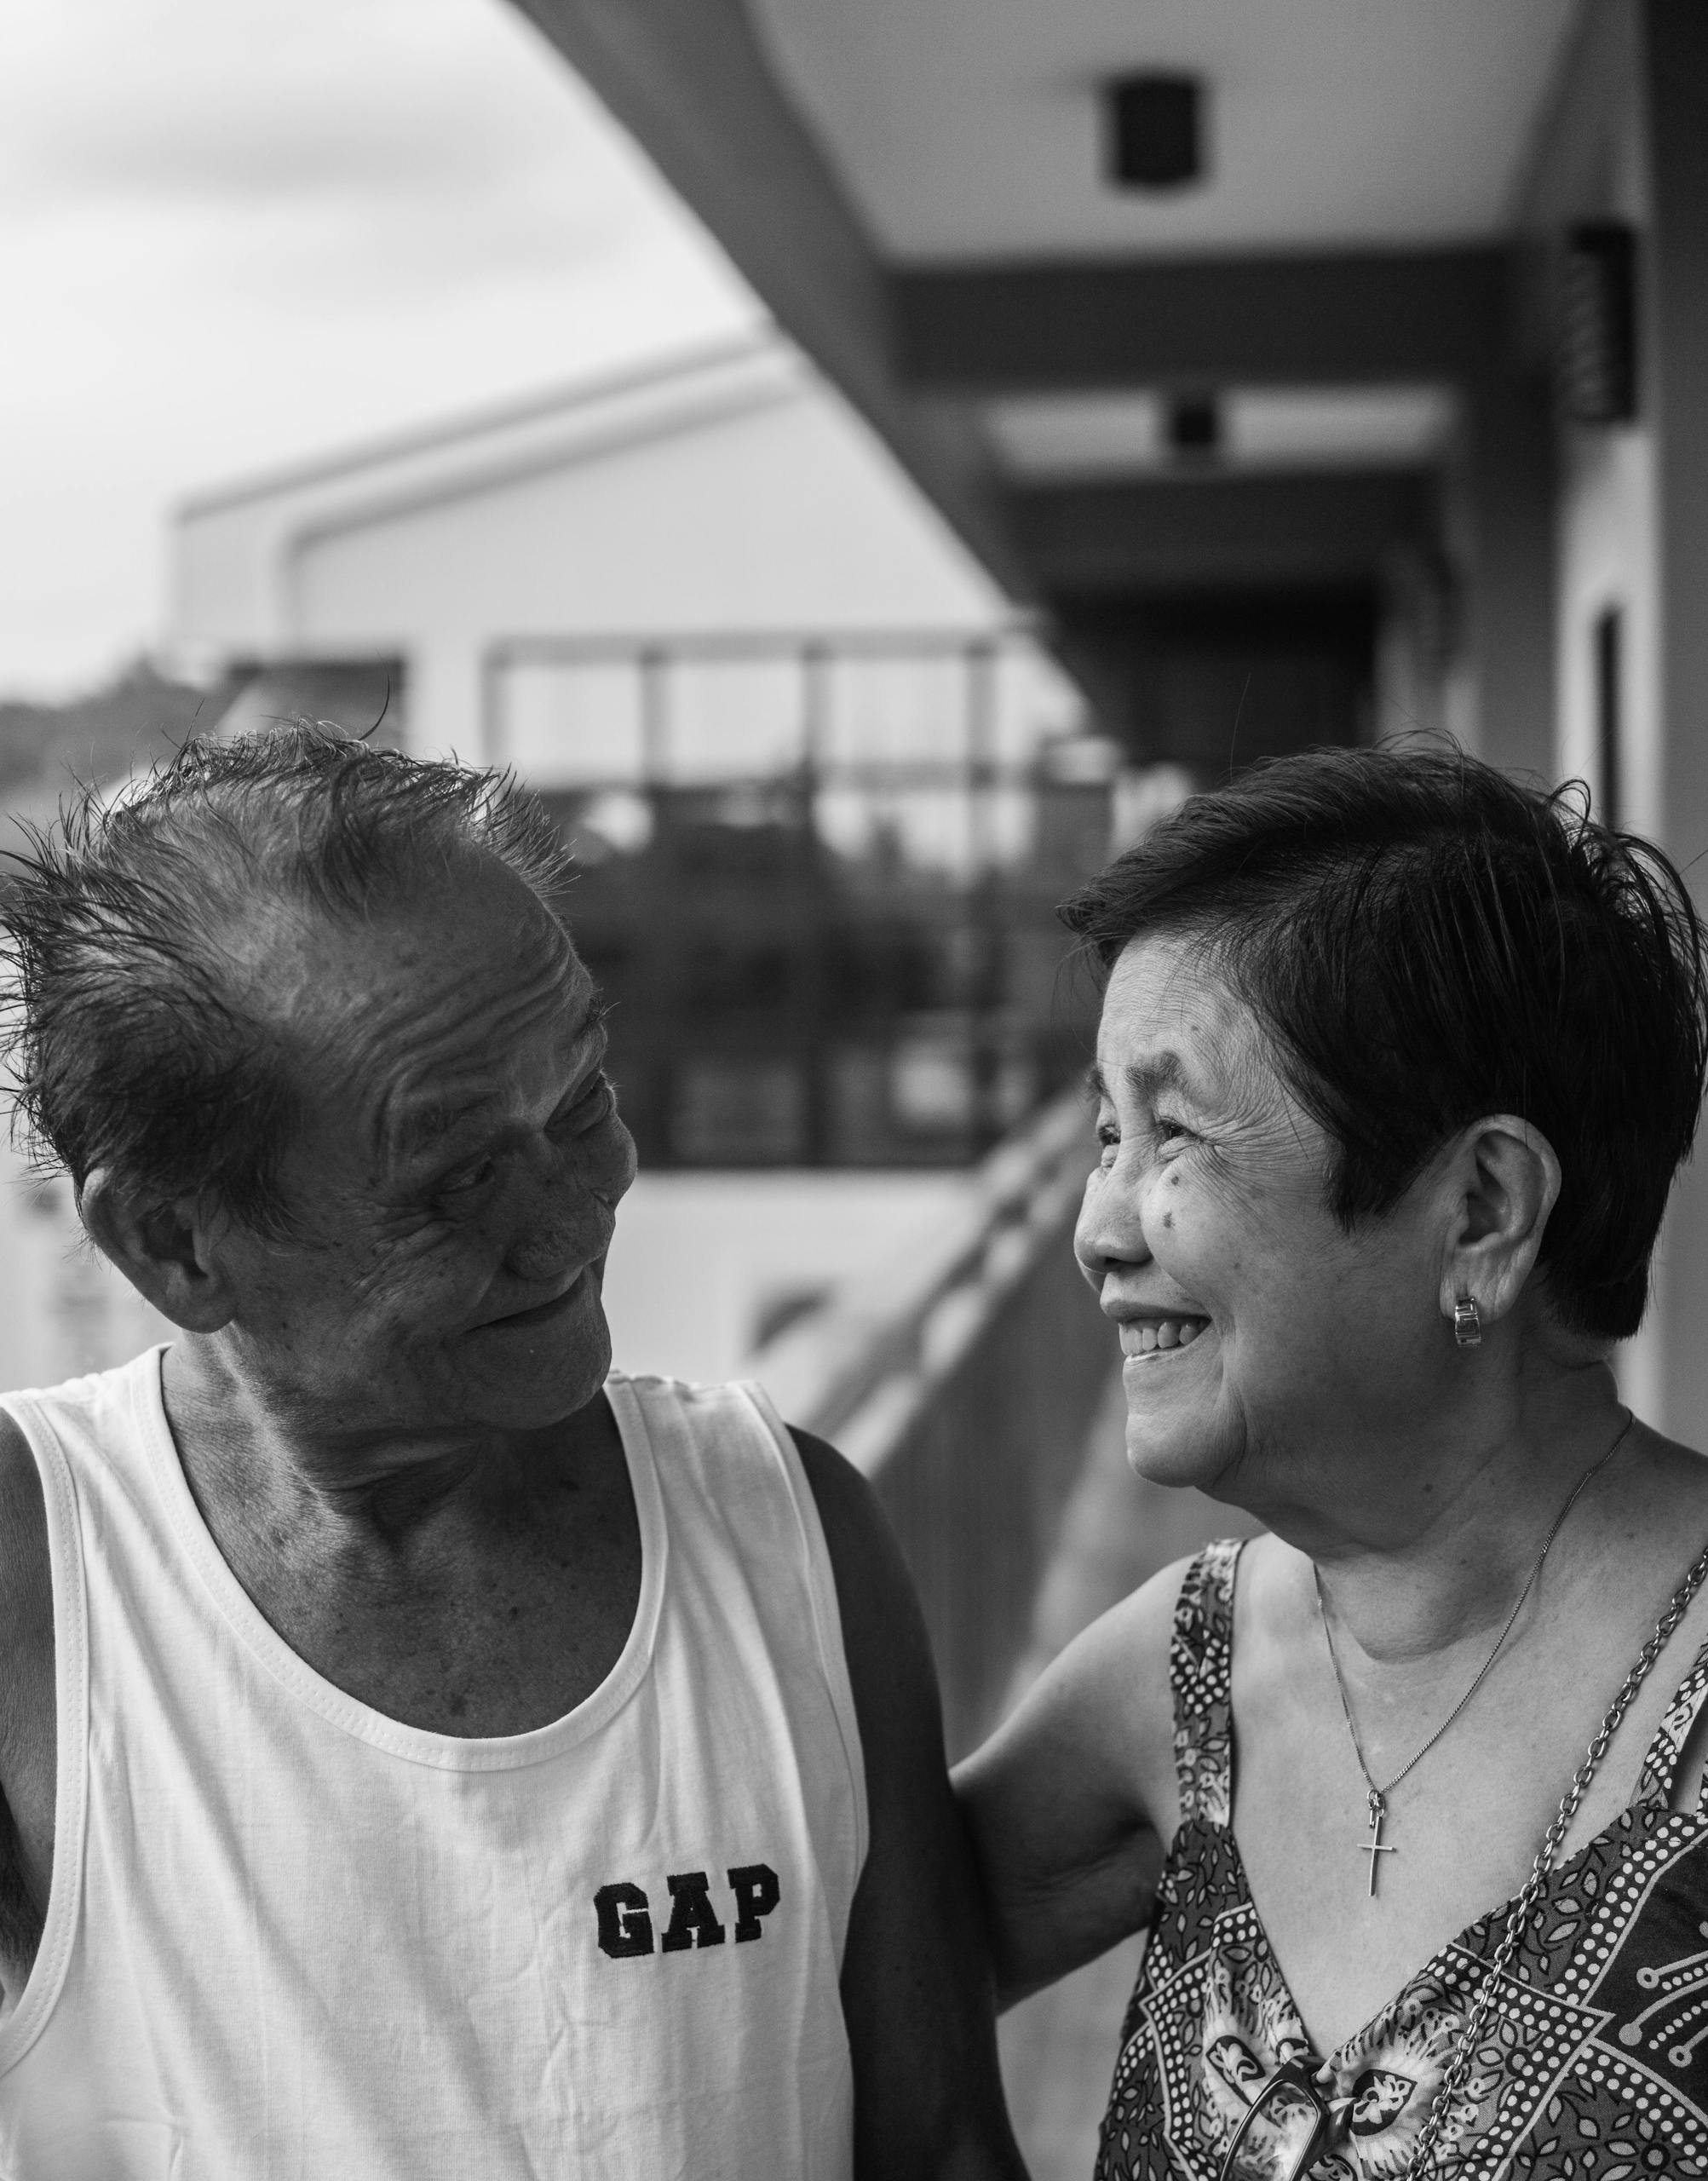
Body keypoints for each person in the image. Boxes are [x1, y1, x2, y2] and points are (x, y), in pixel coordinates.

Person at [0, 723, 1025, 2179]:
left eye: (584, 1099)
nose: (579, 1208)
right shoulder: (34, 1583)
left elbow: (939, 2149)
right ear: (172, 1242)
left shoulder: (790, 1533)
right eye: (460, 1175)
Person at [956, 747, 1708, 2178]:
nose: (1097, 1231)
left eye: (1173, 1134)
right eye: (1106, 1135)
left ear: (1481, 1207)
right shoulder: (1175, 1686)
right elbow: (768, 1996)